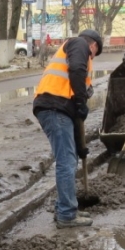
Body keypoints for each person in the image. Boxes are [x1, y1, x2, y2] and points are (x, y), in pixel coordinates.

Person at [33, 29, 102, 229]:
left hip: (57, 108)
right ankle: (66, 214)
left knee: (69, 158)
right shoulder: (80, 44)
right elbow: (78, 70)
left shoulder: (73, 49)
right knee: (66, 161)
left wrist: (80, 147)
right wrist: (81, 101)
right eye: (95, 54)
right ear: (94, 46)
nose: (92, 58)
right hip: (54, 107)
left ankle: (63, 208)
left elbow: (75, 82)